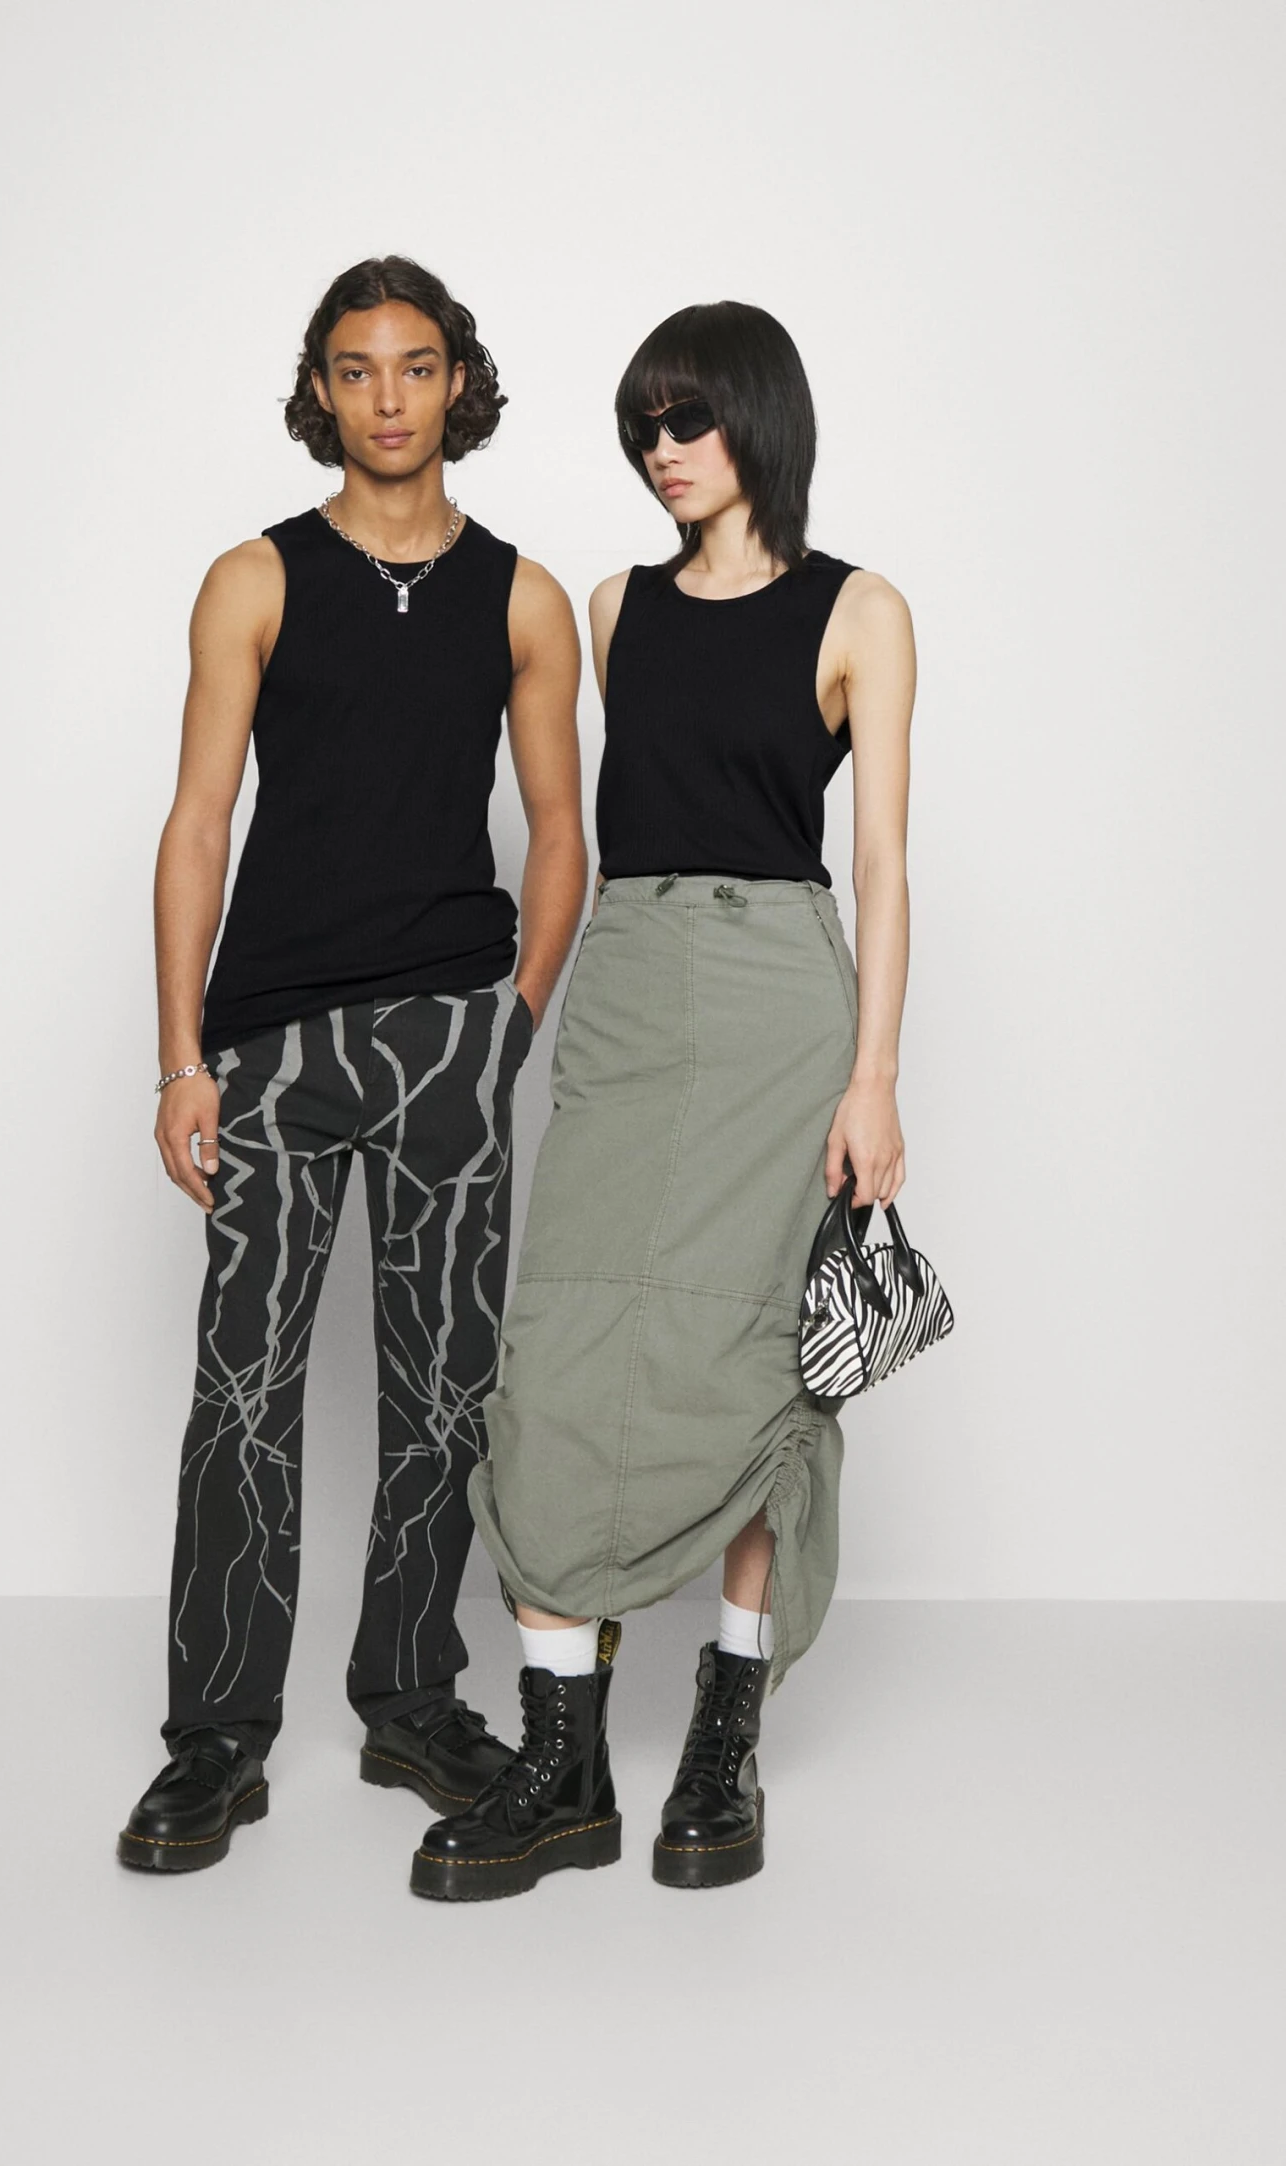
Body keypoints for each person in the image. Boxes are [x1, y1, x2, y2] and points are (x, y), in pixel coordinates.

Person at [411, 300, 916, 1901]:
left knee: (757, 1354)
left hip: (780, 1003)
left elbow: (883, 864)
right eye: (644, 424)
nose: (663, 449)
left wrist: (875, 1076)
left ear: (759, 417)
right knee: (562, 1345)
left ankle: (724, 1734)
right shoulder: (615, 604)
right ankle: (562, 1764)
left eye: (689, 418)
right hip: (629, 986)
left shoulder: (861, 610)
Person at [117, 256, 585, 1872]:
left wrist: (511, 1023)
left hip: (449, 1027)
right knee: (240, 1390)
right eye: (358, 369)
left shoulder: (523, 597)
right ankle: (216, 1739)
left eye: (418, 366)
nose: (390, 397)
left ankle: (410, 1698)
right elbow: (197, 823)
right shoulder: (254, 578)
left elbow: (562, 833)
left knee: (445, 1388)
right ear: (321, 388)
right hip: (270, 1042)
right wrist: (180, 1058)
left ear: (460, 381)